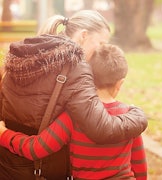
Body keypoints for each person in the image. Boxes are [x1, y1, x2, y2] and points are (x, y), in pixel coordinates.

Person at [0, 10, 147, 179]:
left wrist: (4, 134)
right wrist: (138, 116)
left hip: (8, 162)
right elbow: (101, 128)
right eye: (101, 43)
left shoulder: (33, 53)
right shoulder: (75, 66)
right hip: (43, 168)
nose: (102, 50)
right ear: (84, 35)